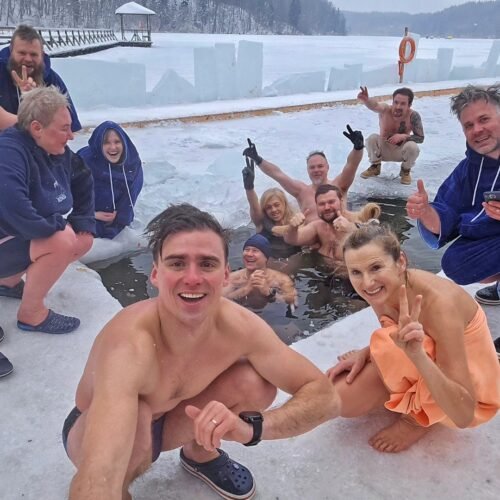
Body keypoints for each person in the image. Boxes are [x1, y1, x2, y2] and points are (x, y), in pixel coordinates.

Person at [63, 203, 339, 500]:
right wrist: (105, 488)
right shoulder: (130, 344)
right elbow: (96, 478)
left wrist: (251, 430)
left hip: (171, 418)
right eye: (177, 263)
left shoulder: (240, 326)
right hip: (92, 427)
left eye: (207, 264)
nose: (193, 278)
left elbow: (325, 397)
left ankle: (200, 453)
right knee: (137, 423)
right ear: (156, 274)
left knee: (254, 383)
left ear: (225, 275)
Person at [326, 223, 500, 453]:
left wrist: (417, 356)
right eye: (356, 272)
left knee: (386, 347)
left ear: (401, 262)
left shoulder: (440, 305)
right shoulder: (380, 288)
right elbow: (396, 331)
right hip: (422, 355)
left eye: (376, 267)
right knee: (342, 399)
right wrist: (367, 352)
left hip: (470, 390)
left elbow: (464, 414)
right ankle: (408, 389)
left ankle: (417, 420)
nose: (366, 283)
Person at [0, 86, 94, 335]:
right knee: (62, 240)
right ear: (36, 128)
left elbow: (83, 178)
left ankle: (7, 282)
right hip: (7, 233)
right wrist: (55, 226)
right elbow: (11, 205)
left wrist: (83, 221)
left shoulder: (54, 149)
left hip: (11, 239)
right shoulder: (9, 152)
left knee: (80, 238)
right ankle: (31, 315)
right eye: (64, 128)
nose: (71, 136)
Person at [406, 84, 500, 309]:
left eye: (484, 119)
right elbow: (446, 214)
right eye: (469, 125)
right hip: (493, 241)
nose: (477, 130)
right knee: (456, 263)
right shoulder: (466, 170)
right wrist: (425, 211)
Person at [242, 125, 364, 223]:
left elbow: (351, 165)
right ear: (307, 170)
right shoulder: (302, 191)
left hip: (339, 238)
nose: (316, 170)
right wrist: (258, 159)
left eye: (320, 166)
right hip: (311, 242)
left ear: (327, 167)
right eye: (312, 167)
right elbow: (278, 175)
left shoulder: (338, 185)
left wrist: (358, 148)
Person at [0, 24, 81, 132]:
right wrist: (33, 123)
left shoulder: (52, 80)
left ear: (42, 55)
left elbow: (69, 127)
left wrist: (38, 101)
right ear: (11, 51)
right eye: (22, 53)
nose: (28, 59)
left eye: (33, 54)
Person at [284, 184, 380, 272]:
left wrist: (351, 229)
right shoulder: (318, 227)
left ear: (341, 201)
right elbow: (291, 240)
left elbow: (379, 248)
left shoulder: (356, 222)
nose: (326, 207)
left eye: (331, 202)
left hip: (351, 279)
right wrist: (293, 227)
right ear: (316, 206)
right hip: (321, 273)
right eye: (321, 204)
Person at [78, 121, 144, 239]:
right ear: (99, 144)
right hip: (87, 220)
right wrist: (91, 214)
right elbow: (66, 196)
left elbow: (131, 194)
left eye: (117, 142)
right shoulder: (84, 160)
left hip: (118, 223)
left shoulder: (132, 163)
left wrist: (120, 217)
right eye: (106, 142)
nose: (113, 147)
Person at [357, 86, 424, 184]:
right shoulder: (385, 110)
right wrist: (367, 100)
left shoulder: (413, 116)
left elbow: (420, 138)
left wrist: (403, 136)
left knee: (413, 147)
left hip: (400, 151)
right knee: (372, 138)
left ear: (409, 105)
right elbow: (375, 106)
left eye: (403, 104)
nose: (398, 106)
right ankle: (375, 166)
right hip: (383, 149)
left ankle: (405, 171)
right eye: (396, 102)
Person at [242, 157, 300, 259]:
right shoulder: (261, 223)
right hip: (269, 264)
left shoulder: (295, 220)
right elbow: (254, 207)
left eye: (277, 205)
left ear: (284, 204)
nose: (273, 210)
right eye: (268, 207)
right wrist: (249, 187)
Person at [223, 234, 298, 307]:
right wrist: (245, 289)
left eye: (255, 251)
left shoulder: (281, 279)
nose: (249, 254)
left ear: (266, 257)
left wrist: (269, 292)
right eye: (247, 250)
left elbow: (293, 301)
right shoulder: (233, 278)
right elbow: (220, 300)